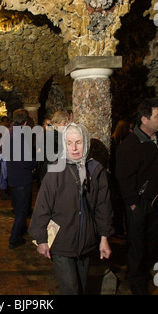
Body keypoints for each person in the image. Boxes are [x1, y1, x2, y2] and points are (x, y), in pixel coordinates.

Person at [29, 123, 114, 295]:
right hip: (62, 242)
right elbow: (42, 207)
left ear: (86, 143)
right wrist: (41, 239)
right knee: (71, 290)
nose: (74, 148)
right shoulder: (55, 171)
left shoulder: (96, 170)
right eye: (69, 143)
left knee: (81, 288)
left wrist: (104, 238)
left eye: (78, 142)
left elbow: (103, 207)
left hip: (87, 242)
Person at [115, 98, 158, 295]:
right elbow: (123, 176)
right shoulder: (130, 145)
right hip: (140, 203)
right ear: (145, 119)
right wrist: (132, 203)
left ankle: (147, 271)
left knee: (154, 240)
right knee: (137, 243)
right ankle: (136, 279)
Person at [7, 108, 37, 249]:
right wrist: (34, 161)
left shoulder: (10, 133)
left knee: (19, 207)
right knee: (22, 210)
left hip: (13, 176)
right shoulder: (19, 136)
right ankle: (14, 239)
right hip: (21, 179)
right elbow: (24, 162)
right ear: (25, 122)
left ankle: (20, 230)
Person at [109, 119, 133, 237]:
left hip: (119, 179)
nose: (131, 131)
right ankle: (117, 229)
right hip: (115, 180)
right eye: (129, 129)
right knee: (117, 205)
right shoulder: (114, 143)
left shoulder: (122, 143)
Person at [37, 110, 70, 187]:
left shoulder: (52, 132)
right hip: (49, 170)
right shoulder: (52, 133)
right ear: (56, 123)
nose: (66, 125)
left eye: (67, 123)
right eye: (64, 123)